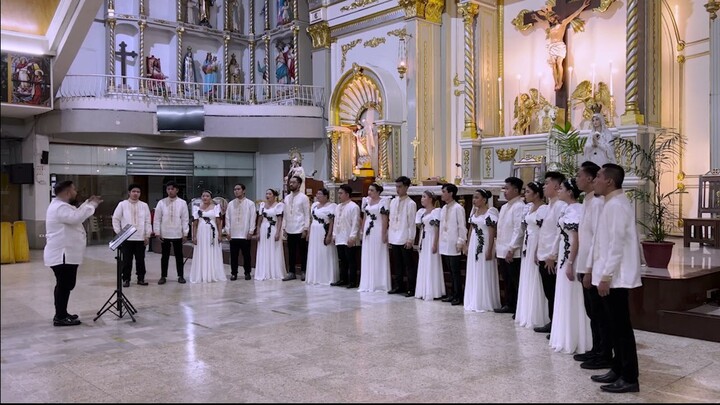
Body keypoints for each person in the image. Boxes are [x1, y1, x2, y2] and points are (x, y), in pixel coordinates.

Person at [588, 163, 642, 393]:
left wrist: (606, 276)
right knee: (613, 325)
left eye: (598, 176)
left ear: (609, 181)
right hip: (610, 276)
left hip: (616, 278)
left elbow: (616, 246)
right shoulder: (610, 204)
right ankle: (618, 369)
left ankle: (629, 377)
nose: (595, 180)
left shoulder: (617, 205)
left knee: (621, 328)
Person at [44, 181, 102, 326]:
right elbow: (76, 218)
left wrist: (86, 203)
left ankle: (62, 313)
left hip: (66, 254)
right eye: (74, 190)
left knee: (65, 285)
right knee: (64, 285)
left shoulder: (61, 206)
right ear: (68, 192)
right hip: (63, 255)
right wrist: (92, 205)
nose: (76, 192)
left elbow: (75, 213)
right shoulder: (59, 207)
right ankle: (60, 316)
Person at [574, 161, 613, 369]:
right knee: (592, 312)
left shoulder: (598, 203)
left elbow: (598, 239)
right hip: (584, 264)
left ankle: (605, 354)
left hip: (593, 267)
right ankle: (596, 349)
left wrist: (589, 270)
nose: (576, 179)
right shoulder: (587, 201)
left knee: (599, 313)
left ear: (590, 178)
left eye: (579, 175)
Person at [549, 178, 592, 354]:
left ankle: (577, 338)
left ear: (570, 192)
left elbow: (576, 240)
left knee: (572, 295)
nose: (558, 191)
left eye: (561, 189)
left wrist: (570, 263)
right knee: (563, 294)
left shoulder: (577, 210)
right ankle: (564, 335)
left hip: (570, 259)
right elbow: (561, 235)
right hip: (562, 257)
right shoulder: (566, 209)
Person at [534, 171, 568, 335]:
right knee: (548, 291)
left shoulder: (561, 206)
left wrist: (552, 256)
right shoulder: (548, 206)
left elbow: (558, 233)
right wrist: (537, 251)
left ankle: (556, 323)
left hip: (550, 256)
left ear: (556, 186)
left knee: (553, 291)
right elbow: (543, 232)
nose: (544, 186)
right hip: (543, 253)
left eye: (547, 183)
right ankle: (551, 320)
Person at [514, 181, 550, 328]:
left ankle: (539, 315)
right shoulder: (528, 208)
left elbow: (544, 230)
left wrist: (538, 250)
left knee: (536, 277)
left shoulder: (544, 209)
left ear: (536, 194)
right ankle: (526, 312)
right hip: (528, 243)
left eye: (528, 192)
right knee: (527, 274)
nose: (525, 194)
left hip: (537, 242)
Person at [533, 0, 591, 90]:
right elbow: (541, 22)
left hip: (560, 45)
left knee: (559, 63)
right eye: (549, 18)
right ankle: (555, 82)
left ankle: (560, 82)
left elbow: (573, 15)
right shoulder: (550, 27)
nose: (550, 19)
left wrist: (583, 7)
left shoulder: (563, 24)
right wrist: (536, 18)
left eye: (551, 17)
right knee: (553, 64)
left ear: (554, 16)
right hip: (552, 46)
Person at [463, 189, 501, 312]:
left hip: (484, 244)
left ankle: (484, 301)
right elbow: (471, 229)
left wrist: (490, 249)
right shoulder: (474, 212)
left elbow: (491, 232)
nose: (474, 200)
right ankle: (473, 298)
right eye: (473, 197)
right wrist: (467, 244)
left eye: (477, 197)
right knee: (474, 269)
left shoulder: (490, 212)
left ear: (484, 199)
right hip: (474, 243)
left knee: (483, 270)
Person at [495, 177, 525, 316]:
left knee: (515, 280)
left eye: (507, 188)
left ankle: (517, 306)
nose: (505, 191)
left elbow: (518, 229)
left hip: (512, 250)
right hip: (502, 248)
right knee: (506, 279)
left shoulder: (519, 205)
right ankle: (508, 303)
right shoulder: (505, 206)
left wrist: (512, 248)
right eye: (504, 188)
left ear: (516, 190)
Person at [112, 184, 152, 287]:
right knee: (126, 260)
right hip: (126, 238)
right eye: (133, 191)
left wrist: (147, 235)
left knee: (140, 260)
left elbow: (148, 221)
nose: (136, 193)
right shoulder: (122, 204)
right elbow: (116, 219)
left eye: (138, 192)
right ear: (129, 192)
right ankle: (126, 279)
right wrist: (119, 234)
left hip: (140, 237)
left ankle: (141, 278)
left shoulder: (144, 205)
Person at [153, 181, 190, 285]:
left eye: (172, 189)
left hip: (177, 233)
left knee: (179, 255)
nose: (170, 191)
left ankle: (181, 276)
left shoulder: (182, 203)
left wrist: (185, 233)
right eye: (168, 189)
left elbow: (185, 219)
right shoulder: (161, 202)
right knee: (164, 256)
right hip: (165, 233)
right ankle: (163, 276)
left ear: (177, 190)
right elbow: (157, 219)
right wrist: (157, 232)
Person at [388, 176, 418, 297]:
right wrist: (390, 236)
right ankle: (398, 286)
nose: (397, 189)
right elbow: (391, 220)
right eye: (396, 186)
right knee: (397, 264)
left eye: (400, 187)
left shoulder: (411, 203)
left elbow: (411, 223)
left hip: (404, 237)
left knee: (408, 264)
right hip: (394, 236)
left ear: (406, 187)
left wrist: (410, 239)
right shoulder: (393, 201)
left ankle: (411, 288)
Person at [358, 183, 391, 292]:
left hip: (377, 229)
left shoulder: (383, 202)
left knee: (377, 254)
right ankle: (367, 282)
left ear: (378, 192)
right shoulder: (366, 201)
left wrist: (384, 234)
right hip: (368, 229)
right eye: (369, 190)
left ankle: (379, 283)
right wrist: (362, 231)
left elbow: (385, 219)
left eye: (372, 190)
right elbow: (365, 217)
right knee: (368, 254)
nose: (369, 192)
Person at [439, 183, 467, 306]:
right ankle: (452, 293)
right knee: (449, 270)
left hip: (454, 242)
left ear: (450, 193)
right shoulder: (444, 208)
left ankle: (458, 295)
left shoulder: (458, 208)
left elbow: (462, 226)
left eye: (444, 191)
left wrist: (461, 241)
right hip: (444, 242)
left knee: (455, 272)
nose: (442, 194)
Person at [414, 190, 445, 301]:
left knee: (432, 262)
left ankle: (433, 290)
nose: (422, 199)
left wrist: (435, 243)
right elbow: (420, 226)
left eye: (424, 197)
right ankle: (423, 289)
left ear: (430, 199)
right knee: (423, 262)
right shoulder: (421, 212)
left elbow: (436, 228)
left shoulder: (436, 212)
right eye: (422, 197)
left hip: (432, 238)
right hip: (424, 237)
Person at [189, 190, 226, 283]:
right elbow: (195, 223)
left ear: (211, 197)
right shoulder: (196, 208)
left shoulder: (216, 207)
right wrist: (194, 236)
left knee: (212, 251)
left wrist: (220, 235)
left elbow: (219, 222)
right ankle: (201, 274)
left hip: (212, 232)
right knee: (202, 251)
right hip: (201, 232)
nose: (205, 198)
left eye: (207, 196)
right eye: (203, 196)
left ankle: (212, 273)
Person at [305, 188, 339, 285]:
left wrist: (329, 234)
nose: (317, 195)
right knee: (315, 252)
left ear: (326, 196)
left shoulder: (332, 206)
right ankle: (315, 276)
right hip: (314, 231)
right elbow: (312, 220)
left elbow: (332, 221)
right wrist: (309, 232)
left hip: (323, 231)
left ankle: (326, 277)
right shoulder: (314, 205)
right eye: (317, 194)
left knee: (324, 252)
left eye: (320, 194)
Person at [224, 183, 257, 280]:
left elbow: (253, 218)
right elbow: (227, 218)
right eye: (234, 189)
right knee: (234, 255)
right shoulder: (230, 204)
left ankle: (247, 272)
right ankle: (234, 273)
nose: (236, 191)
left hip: (245, 233)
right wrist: (228, 231)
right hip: (233, 234)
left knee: (246, 255)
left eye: (238, 189)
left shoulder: (250, 203)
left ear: (244, 190)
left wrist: (251, 231)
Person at [331, 184, 361, 288]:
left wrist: (352, 237)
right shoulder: (338, 207)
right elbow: (335, 222)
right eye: (338, 193)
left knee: (351, 260)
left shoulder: (354, 206)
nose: (339, 195)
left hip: (349, 237)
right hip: (340, 237)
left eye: (341, 193)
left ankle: (352, 281)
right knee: (342, 260)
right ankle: (343, 279)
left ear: (347, 194)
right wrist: (334, 235)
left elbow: (356, 223)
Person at [282, 176, 310, 281]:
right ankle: (291, 272)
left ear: (299, 184)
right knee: (291, 252)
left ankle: (304, 271)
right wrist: (284, 228)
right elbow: (285, 214)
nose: (291, 184)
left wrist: (306, 228)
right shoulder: (287, 197)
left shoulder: (304, 197)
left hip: (300, 228)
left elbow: (307, 214)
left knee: (303, 252)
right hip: (289, 228)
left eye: (293, 182)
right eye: (290, 182)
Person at [254, 189, 286, 280]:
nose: (267, 195)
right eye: (266, 193)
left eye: (269, 194)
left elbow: (279, 220)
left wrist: (278, 232)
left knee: (273, 249)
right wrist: (258, 231)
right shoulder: (262, 205)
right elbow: (259, 220)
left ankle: (274, 271)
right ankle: (264, 271)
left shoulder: (279, 206)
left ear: (274, 195)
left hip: (273, 229)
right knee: (264, 249)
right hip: (264, 229)